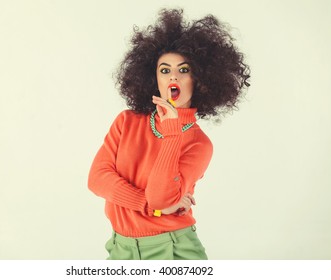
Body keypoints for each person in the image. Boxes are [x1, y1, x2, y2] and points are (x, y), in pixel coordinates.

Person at [88, 8, 250, 260]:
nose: (173, 75)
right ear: (154, 79)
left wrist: (173, 133)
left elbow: (161, 199)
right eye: (165, 70)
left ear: (199, 80)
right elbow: (97, 180)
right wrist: (147, 207)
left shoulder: (199, 144)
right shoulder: (126, 122)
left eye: (184, 70)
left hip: (172, 250)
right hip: (120, 248)